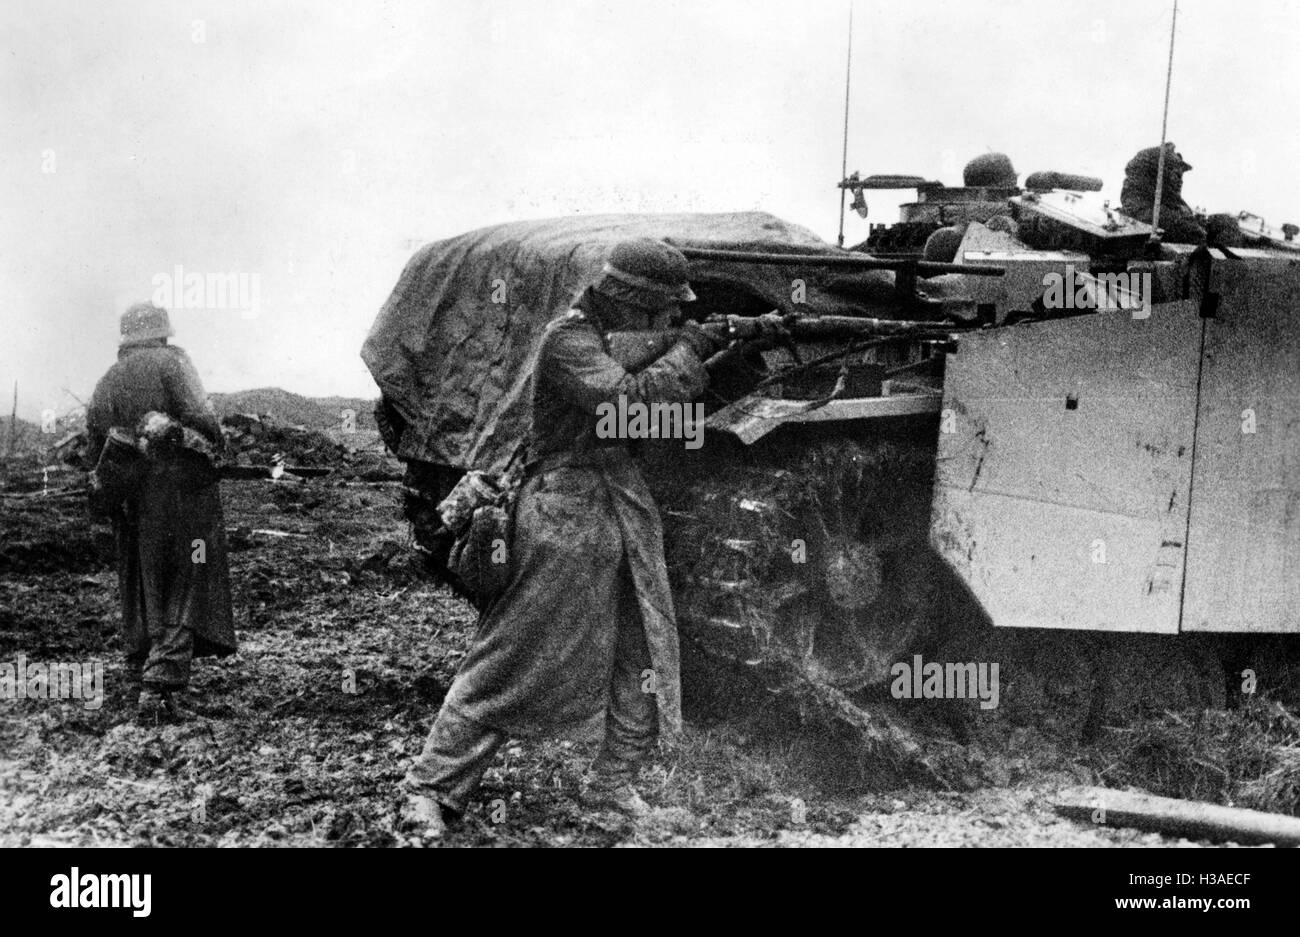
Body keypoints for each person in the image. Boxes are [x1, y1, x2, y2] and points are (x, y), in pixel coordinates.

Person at [403, 238, 721, 839]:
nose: (669, 321)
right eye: (660, 311)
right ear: (629, 299)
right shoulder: (568, 340)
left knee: (640, 653)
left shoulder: (618, 339)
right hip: (564, 514)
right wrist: (693, 350)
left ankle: (612, 787)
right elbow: (629, 407)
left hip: (623, 509)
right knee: (515, 652)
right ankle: (431, 790)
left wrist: (733, 342)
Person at [86, 302, 236, 722]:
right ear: (162, 332)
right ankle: (160, 689)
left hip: (130, 506)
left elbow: (92, 444)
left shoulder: (109, 378)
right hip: (184, 502)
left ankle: (142, 670)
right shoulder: (174, 363)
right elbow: (205, 422)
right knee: (190, 575)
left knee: (141, 580)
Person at [1120, 142, 1206, 243]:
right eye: (1177, 175)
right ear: (1157, 176)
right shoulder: (1159, 216)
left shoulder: (1172, 211)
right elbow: (1196, 234)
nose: (1180, 182)